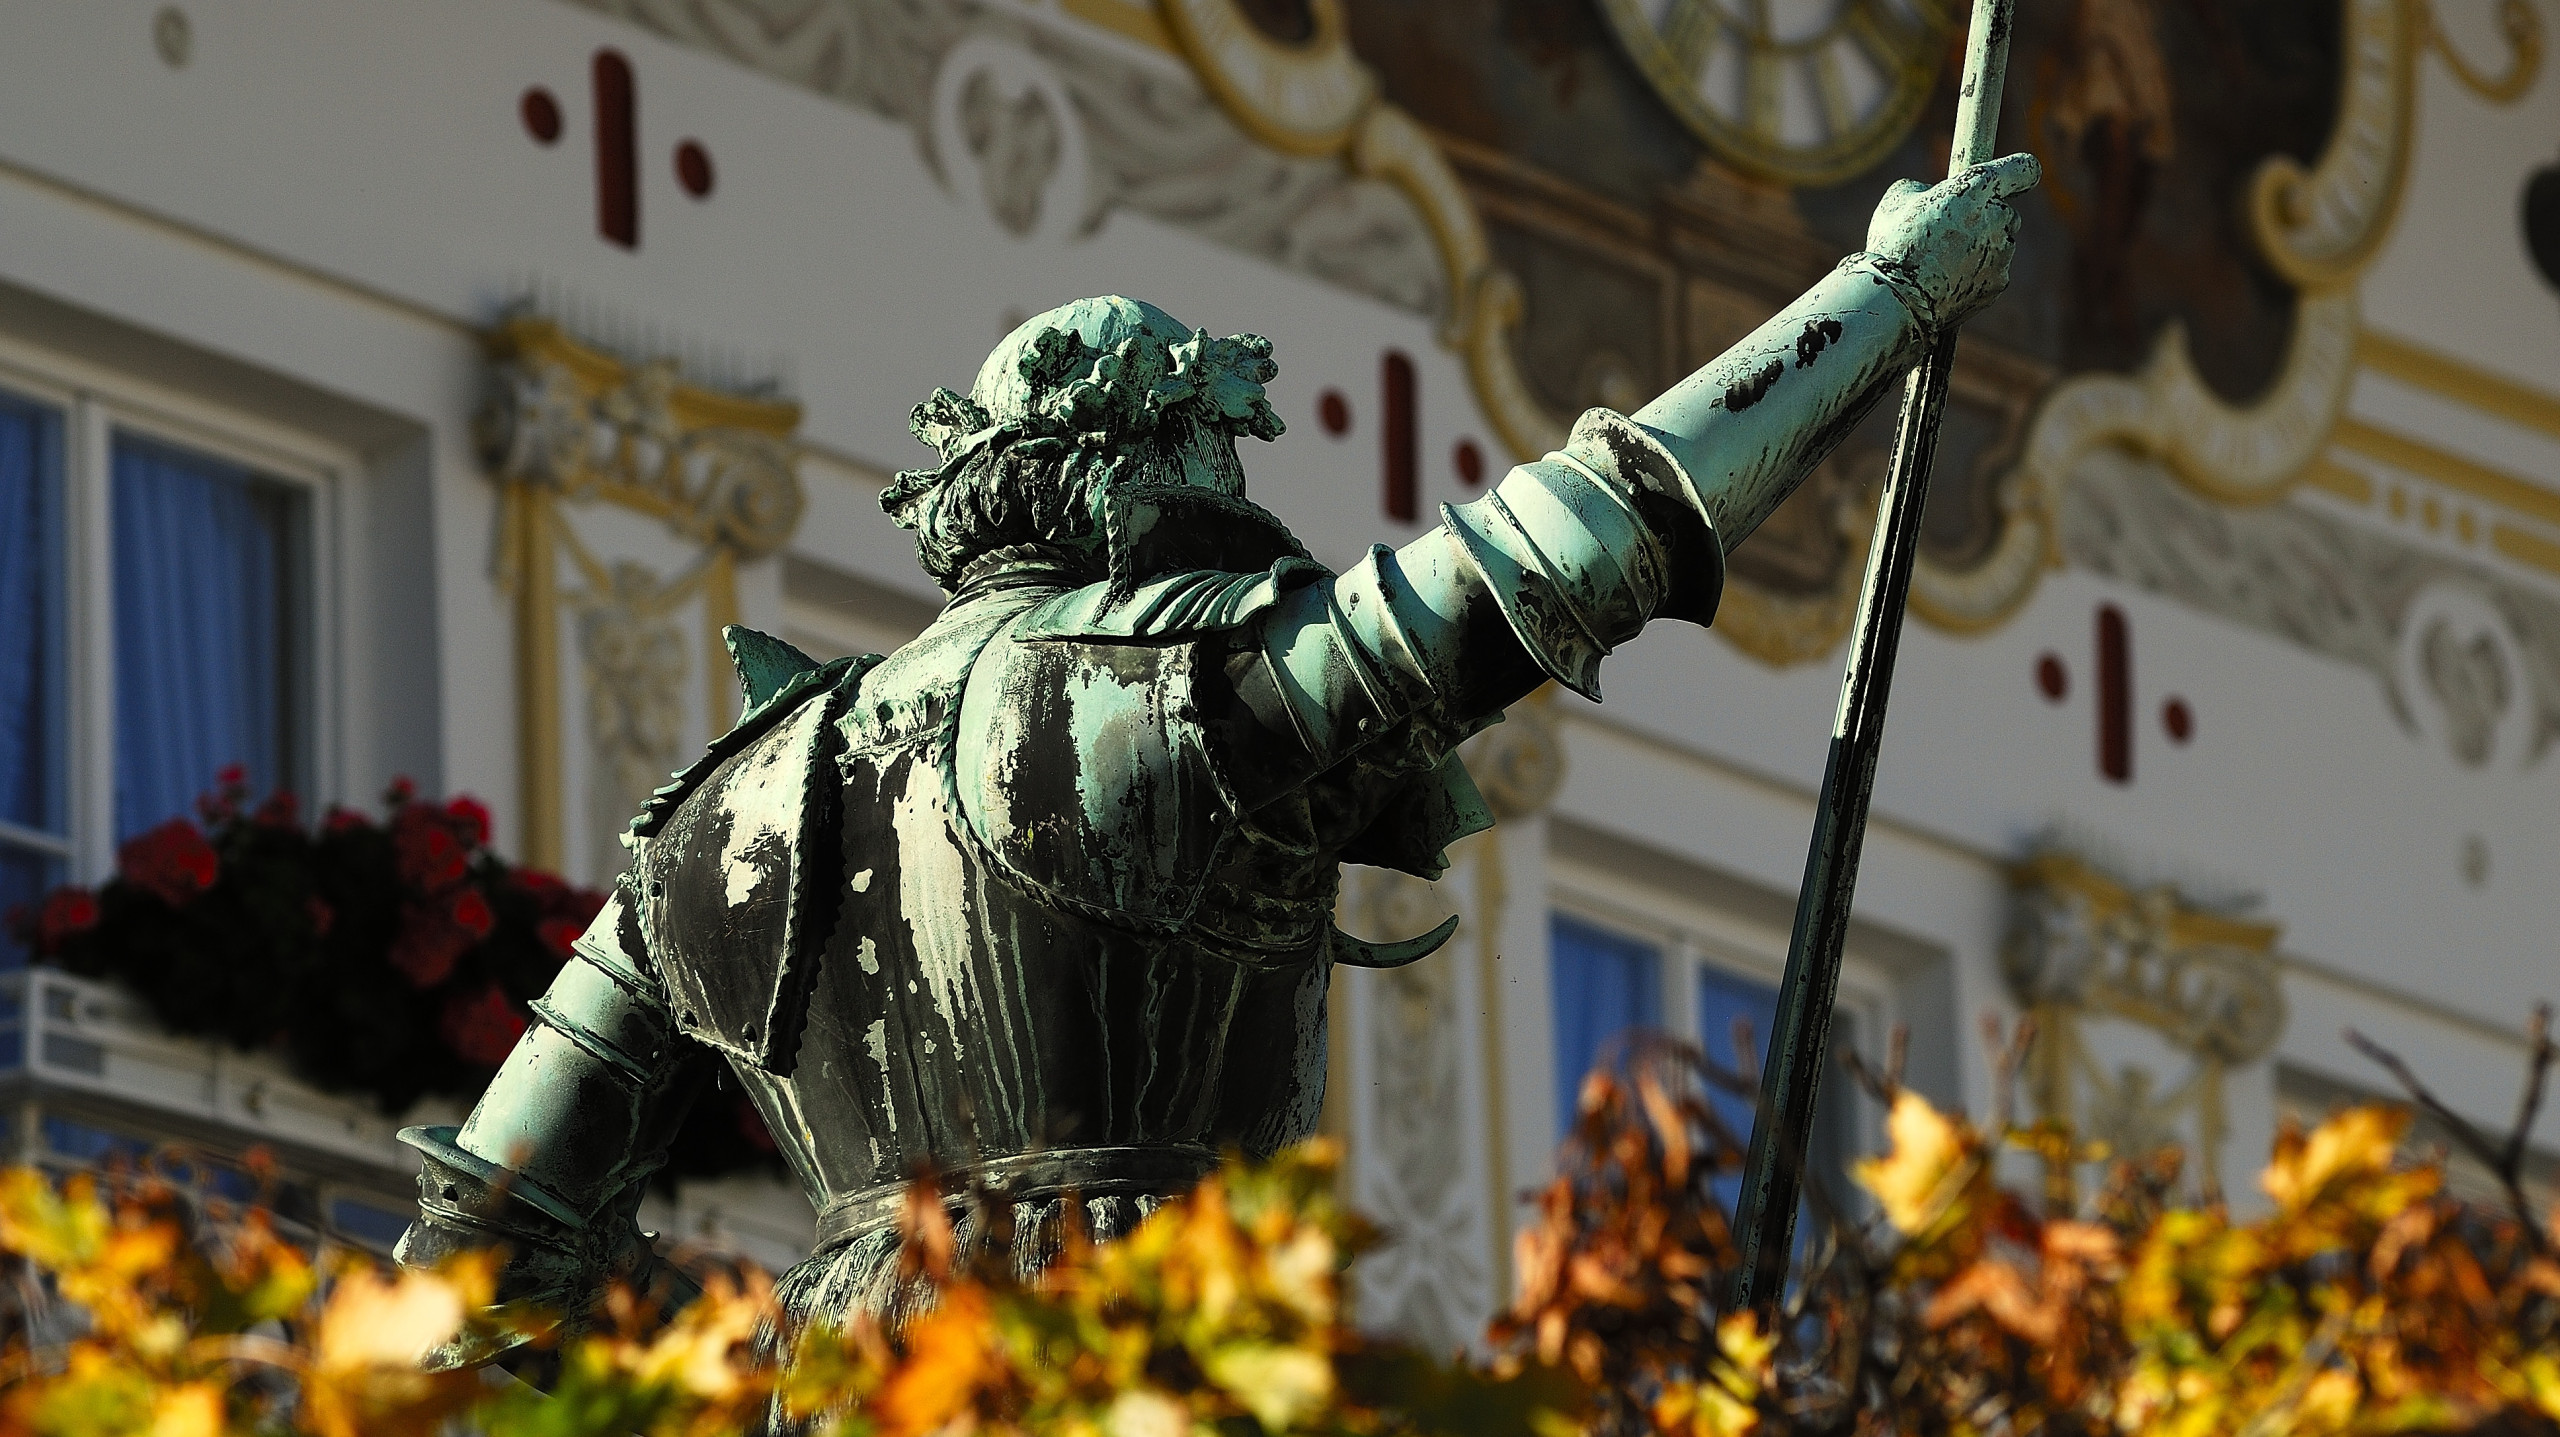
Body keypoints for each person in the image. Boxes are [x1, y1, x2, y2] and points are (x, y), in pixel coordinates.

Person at [396, 152, 2040, 1349]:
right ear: (1145, 466)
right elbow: (1571, 544)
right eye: (1215, 446)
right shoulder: (1166, 689)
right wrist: (1885, 296)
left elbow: (483, 1238)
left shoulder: (725, 808)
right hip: (1156, 1340)